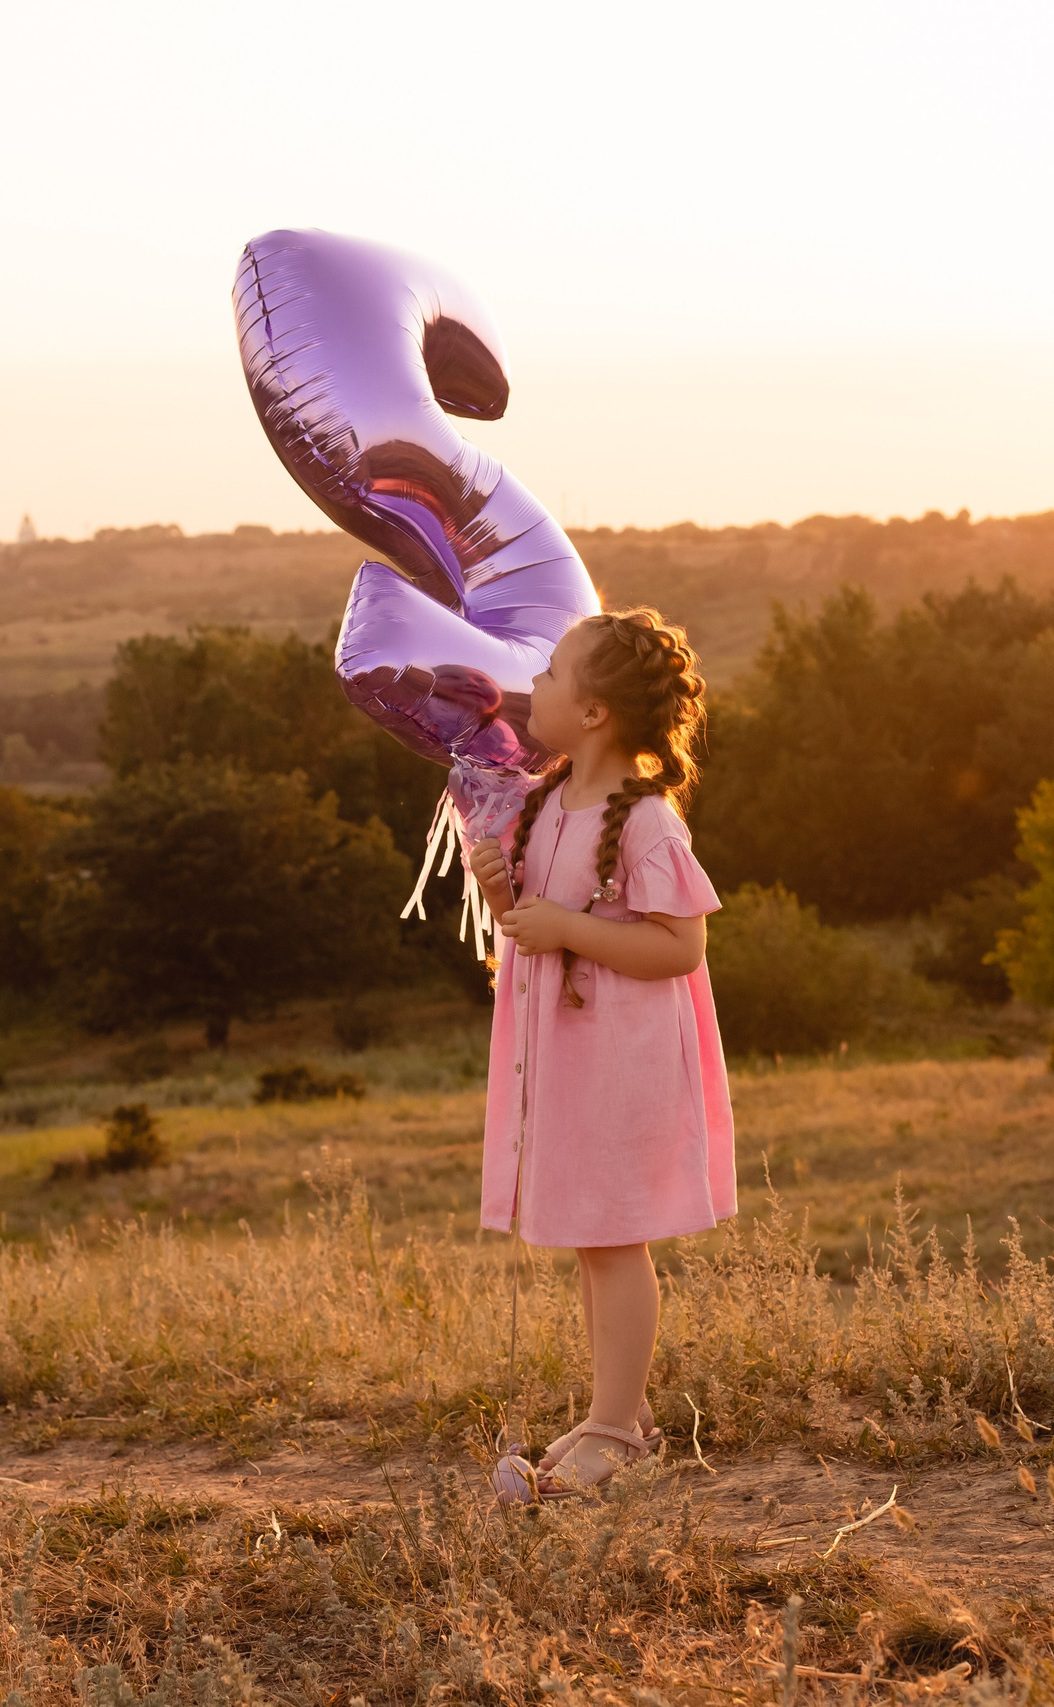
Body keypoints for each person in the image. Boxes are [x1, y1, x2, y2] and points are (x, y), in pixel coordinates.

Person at [466, 606, 734, 1501]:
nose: (532, 683)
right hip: (569, 1062)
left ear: (593, 713)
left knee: (615, 1240)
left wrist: (568, 926)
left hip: (621, 1064)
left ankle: (615, 1430)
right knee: (592, 1238)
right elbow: (534, 927)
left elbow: (680, 946)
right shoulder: (546, 803)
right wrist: (500, 891)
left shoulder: (649, 821)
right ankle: (621, 1413)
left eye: (549, 673)